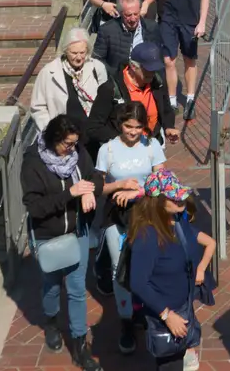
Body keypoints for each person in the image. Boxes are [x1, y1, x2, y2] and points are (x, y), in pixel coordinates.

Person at [21, 115, 130, 370]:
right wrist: (70, 194)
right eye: (68, 144)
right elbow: (35, 208)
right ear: (54, 140)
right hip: (49, 234)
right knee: (51, 284)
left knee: (77, 288)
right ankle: (51, 321)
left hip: (78, 231)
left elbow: (94, 176)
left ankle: (80, 347)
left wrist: (89, 192)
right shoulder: (33, 164)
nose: (72, 148)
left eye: (75, 143)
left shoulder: (78, 153)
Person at [127, 167, 215, 371]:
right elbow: (138, 283)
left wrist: (201, 267)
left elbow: (208, 242)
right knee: (170, 365)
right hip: (165, 315)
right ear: (156, 202)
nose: (180, 200)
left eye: (180, 195)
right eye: (173, 197)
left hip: (182, 309)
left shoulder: (176, 222)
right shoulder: (146, 237)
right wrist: (167, 316)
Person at [95, 102, 167, 354]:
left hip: (148, 214)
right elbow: (99, 187)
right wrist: (119, 185)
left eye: (138, 127)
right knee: (119, 267)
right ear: (119, 124)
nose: (133, 132)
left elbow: (162, 182)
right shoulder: (107, 150)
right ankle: (126, 319)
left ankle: (147, 309)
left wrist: (138, 191)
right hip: (118, 217)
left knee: (148, 264)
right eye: (128, 126)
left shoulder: (153, 146)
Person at [156, 0, 211, 122]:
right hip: (169, 18)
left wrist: (202, 22)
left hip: (189, 20)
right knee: (169, 60)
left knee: (189, 59)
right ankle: (171, 101)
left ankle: (189, 99)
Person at [87, 41, 179, 149]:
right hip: (123, 151)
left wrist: (168, 127)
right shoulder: (110, 89)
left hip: (151, 145)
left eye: (155, 69)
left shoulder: (157, 82)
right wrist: (124, 139)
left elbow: (166, 109)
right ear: (133, 67)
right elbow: (93, 128)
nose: (152, 73)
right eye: (148, 69)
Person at [30, 27, 110, 132]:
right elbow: (38, 107)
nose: (78, 57)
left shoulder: (97, 67)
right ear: (66, 51)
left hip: (92, 134)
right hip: (62, 136)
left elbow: (106, 101)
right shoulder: (49, 72)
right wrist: (50, 130)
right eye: (74, 53)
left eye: (82, 52)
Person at [94, 0, 151, 74]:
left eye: (136, 14)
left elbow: (159, 57)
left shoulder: (151, 27)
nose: (133, 19)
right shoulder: (106, 30)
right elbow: (97, 59)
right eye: (128, 15)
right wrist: (114, 75)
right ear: (120, 13)